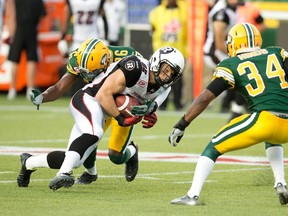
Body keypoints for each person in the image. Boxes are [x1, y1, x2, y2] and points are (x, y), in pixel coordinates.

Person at [168, 22, 288, 206]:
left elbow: (204, 99)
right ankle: (280, 182)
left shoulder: (231, 64)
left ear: (234, 43)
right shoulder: (276, 52)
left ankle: (192, 195)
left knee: (213, 147)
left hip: (264, 121)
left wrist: (183, 123)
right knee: (273, 138)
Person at [45, 45, 184, 191]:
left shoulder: (165, 87)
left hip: (121, 110)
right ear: (156, 61)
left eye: (172, 74)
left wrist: (149, 111)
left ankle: (131, 151)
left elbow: (152, 105)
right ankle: (82, 173)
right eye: (166, 70)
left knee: (113, 156)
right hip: (98, 101)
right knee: (92, 136)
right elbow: (103, 94)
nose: (167, 76)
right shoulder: (135, 67)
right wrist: (121, 118)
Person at [17, 38, 148, 187]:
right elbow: (60, 87)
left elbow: (147, 82)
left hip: (122, 106)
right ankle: (29, 162)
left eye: (94, 72)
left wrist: (148, 106)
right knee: (79, 150)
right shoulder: (78, 59)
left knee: (115, 156)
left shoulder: (129, 58)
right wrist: (43, 97)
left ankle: (131, 151)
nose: (89, 77)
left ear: (106, 61)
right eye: (85, 72)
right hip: (97, 104)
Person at [149, 0, 188, 111]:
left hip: (179, 51)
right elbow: (153, 30)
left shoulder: (184, 10)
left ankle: (177, 103)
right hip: (162, 52)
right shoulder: (156, 12)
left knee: (178, 79)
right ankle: (162, 103)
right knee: (160, 78)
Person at [203, 0, 239, 115]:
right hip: (215, 52)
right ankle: (229, 105)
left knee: (236, 72)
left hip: (221, 51)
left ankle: (228, 104)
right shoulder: (221, 13)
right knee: (235, 72)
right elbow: (219, 43)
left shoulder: (231, 9)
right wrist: (235, 54)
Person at [6, 0, 46, 100]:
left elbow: (10, 14)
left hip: (18, 29)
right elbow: (42, 15)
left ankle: (12, 89)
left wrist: (11, 33)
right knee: (31, 60)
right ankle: (30, 89)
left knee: (15, 60)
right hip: (31, 29)